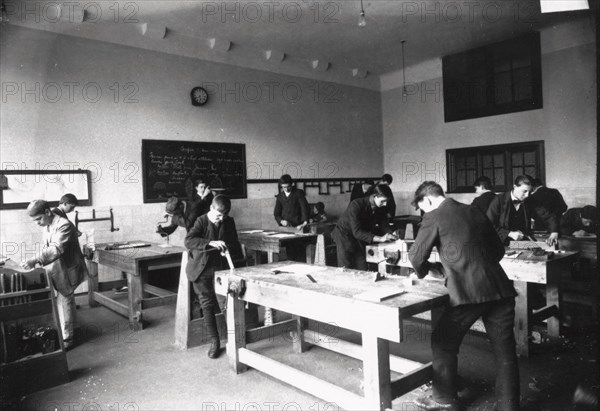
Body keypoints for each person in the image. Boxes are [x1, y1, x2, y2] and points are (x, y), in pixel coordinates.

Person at [408, 182, 519, 411]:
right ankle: (510, 406)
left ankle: (446, 400)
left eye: (423, 208)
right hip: (499, 288)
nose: (424, 213)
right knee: (504, 350)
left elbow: (416, 257)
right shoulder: (473, 211)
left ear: (428, 201)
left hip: (468, 293)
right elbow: (498, 251)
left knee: (442, 342)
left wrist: (429, 270)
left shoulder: (433, 216)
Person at [22, 200, 88, 350]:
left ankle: (68, 339)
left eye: (38, 219)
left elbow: (56, 248)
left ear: (47, 212)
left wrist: (35, 259)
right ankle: (73, 329)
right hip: (58, 267)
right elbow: (48, 247)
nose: (37, 223)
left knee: (65, 300)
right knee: (65, 300)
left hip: (69, 268)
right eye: (35, 221)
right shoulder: (47, 223)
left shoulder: (63, 224)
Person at [184, 195, 243, 359]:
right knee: (207, 305)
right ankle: (215, 342)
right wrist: (210, 243)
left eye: (224, 216)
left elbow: (234, 243)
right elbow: (189, 241)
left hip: (221, 270)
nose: (221, 219)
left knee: (225, 304)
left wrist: (227, 247)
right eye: (218, 215)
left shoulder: (229, 221)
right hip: (201, 271)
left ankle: (233, 341)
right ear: (211, 208)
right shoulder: (201, 220)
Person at [331, 184, 397, 270]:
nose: (385, 204)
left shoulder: (380, 207)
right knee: (346, 267)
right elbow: (357, 232)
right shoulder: (356, 204)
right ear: (375, 196)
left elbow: (383, 224)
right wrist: (381, 239)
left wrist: (391, 234)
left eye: (387, 201)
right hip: (344, 235)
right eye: (383, 201)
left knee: (363, 265)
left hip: (359, 236)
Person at [486, 175, 559, 246]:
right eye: (524, 191)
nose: (527, 195)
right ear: (515, 187)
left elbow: (547, 215)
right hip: (500, 244)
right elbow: (488, 224)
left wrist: (554, 232)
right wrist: (509, 233)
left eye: (529, 192)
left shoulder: (530, 200)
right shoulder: (499, 200)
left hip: (521, 244)